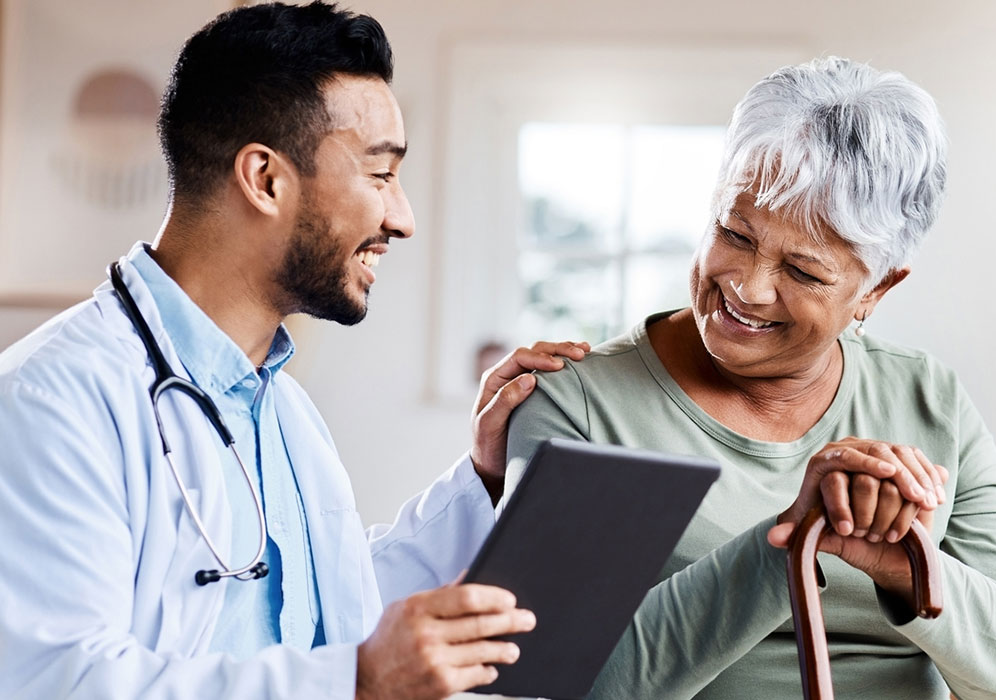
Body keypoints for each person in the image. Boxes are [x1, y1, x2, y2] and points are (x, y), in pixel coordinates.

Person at [0, 3, 590, 699]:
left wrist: (483, 480)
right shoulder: (48, 400)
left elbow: (330, 615)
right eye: (380, 175)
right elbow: (50, 680)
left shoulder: (278, 403)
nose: (400, 219)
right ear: (266, 179)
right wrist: (356, 682)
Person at [505, 56, 996, 699]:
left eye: (802, 272)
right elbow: (557, 683)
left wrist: (905, 566)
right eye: (734, 233)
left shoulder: (927, 397)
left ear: (876, 291)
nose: (747, 287)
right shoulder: (580, 404)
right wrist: (789, 542)